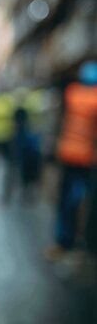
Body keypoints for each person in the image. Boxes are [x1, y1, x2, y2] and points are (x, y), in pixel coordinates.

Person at [47, 60, 97, 260]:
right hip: (87, 158)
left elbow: (60, 121)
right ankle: (84, 240)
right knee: (82, 200)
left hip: (67, 153)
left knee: (66, 199)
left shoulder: (71, 93)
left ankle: (64, 240)